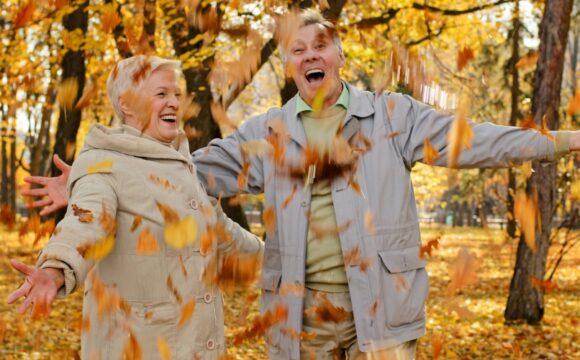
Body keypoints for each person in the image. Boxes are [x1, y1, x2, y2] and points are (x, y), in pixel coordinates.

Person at [22, 10, 580, 360]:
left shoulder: (393, 117)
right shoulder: (267, 133)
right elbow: (182, 176)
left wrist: (564, 140)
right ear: (290, 63)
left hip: (383, 313)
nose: (310, 55)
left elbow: (479, 140)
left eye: (320, 45)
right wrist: (100, 177)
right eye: (297, 49)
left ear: (338, 56)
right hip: (301, 318)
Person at [8, 55, 263, 359]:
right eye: (161, 94)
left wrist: (278, 255)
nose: (174, 103)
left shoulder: (182, 165)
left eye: (176, 94)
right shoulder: (101, 164)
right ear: (126, 104)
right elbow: (87, 223)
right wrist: (55, 269)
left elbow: (220, 231)